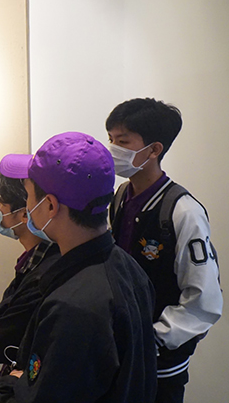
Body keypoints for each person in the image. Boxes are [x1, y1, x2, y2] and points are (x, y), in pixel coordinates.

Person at [0, 132, 157, 403]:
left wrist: (10, 383)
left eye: (29, 196)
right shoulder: (129, 268)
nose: (29, 207)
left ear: (50, 205)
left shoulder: (72, 307)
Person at [105, 98, 223, 403]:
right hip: (122, 355)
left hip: (160, 365)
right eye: (110, 139)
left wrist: (154, 339)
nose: (112, 149)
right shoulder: (120, 197)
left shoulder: (183, 211)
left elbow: (203, 300)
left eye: (122, 141)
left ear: (154, 149)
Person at [0, 157, 60, 376]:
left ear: (25, 213)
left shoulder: (45, 271)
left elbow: (0, 340)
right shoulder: (32, 259)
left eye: (2, 203)